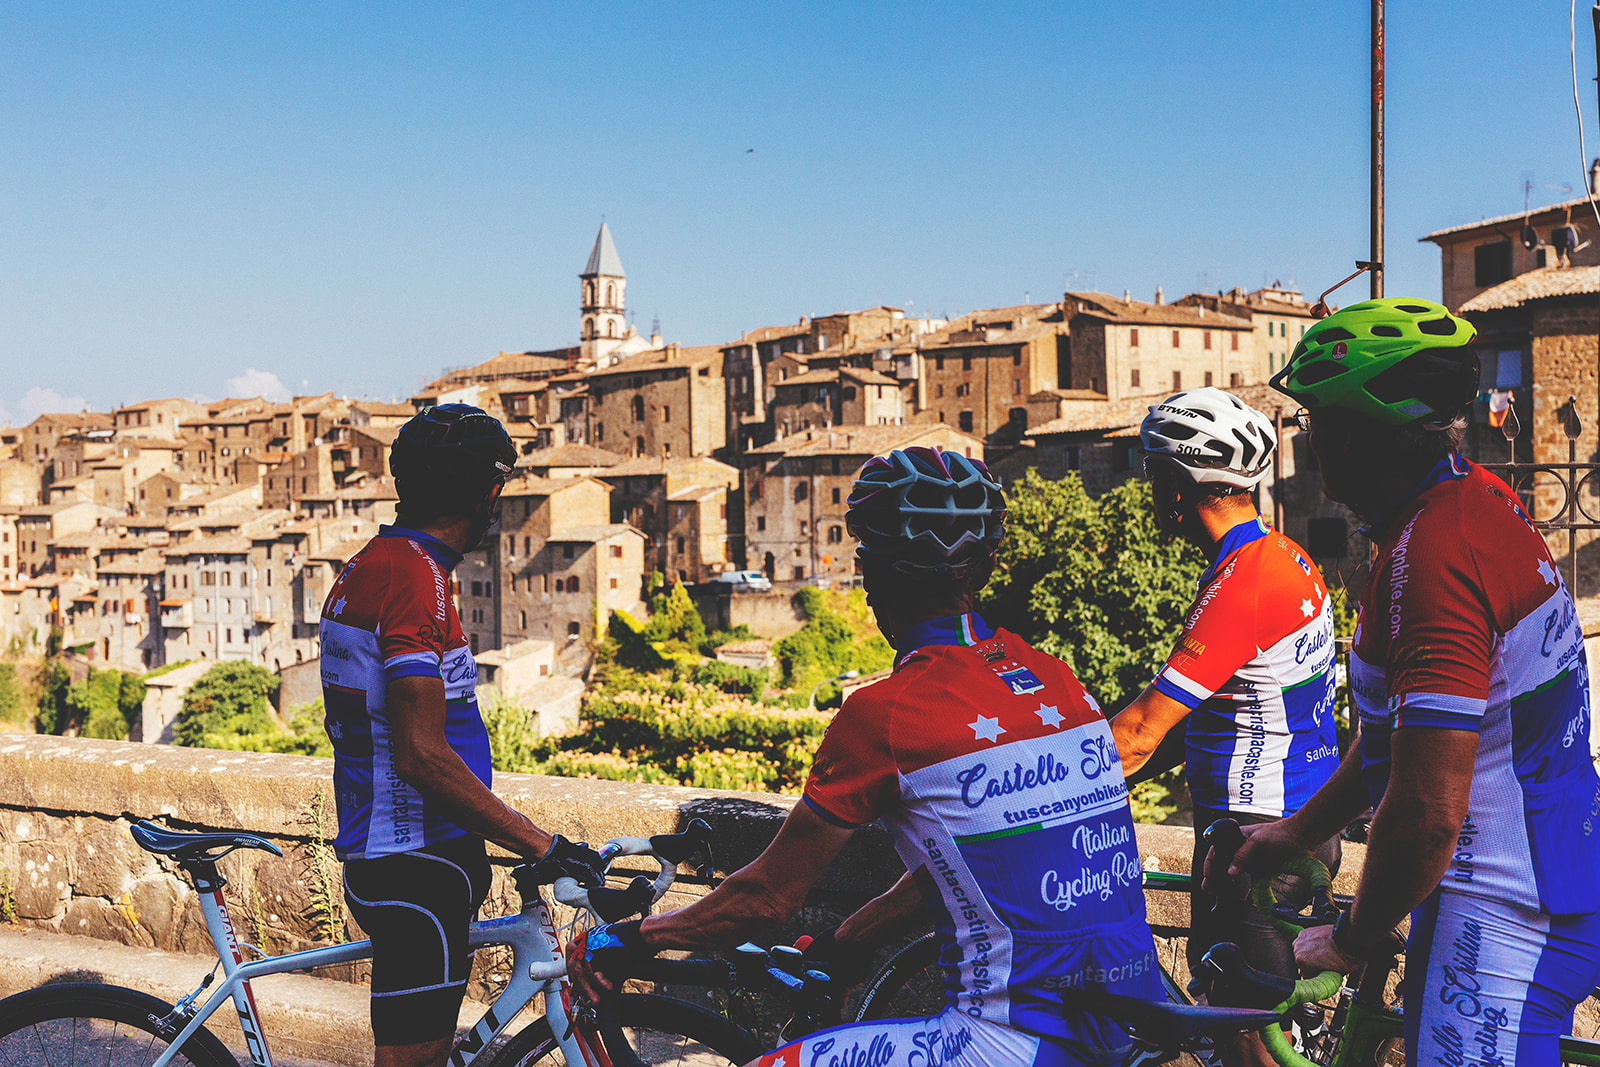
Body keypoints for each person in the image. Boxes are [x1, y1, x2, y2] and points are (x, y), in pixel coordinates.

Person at [569, 446, 1162, 1067]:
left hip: (1011, 1041)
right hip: (1134, 1019)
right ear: (986, 565)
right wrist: (852, 937)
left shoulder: (888, 713)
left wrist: (626, 940)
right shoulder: (1055, 679)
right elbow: (970, 862)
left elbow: (766, 899)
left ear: (873, 573)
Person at [1221, 298, 1600, 1065]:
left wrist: (1351, 937)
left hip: (1499, 913)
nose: (1310, 443)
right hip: (1548, 869)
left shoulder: (1435, 558)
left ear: (1349, 436)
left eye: (1315, 421)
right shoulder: (1473, 501)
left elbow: (1427, 812)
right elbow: (1398, 739)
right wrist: (1301, 829)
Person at [319, 404, 605, 1067]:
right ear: (487, 492)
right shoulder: (414, 579)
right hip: (414, 863)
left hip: (409, 856)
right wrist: (541, 843)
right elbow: (420, 754)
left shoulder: (379, 563)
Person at [1109, 387, 1342, 1064]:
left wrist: (1043, 788)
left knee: (1248, 1035)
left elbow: (1141, 731)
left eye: (1154, 474)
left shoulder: (1243, 583)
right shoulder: (1283, 556)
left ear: (1177, 486)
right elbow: (1199, 715)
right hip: (1290, 819)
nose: (1151, 491)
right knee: (1240, 1019)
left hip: (1257, 839)